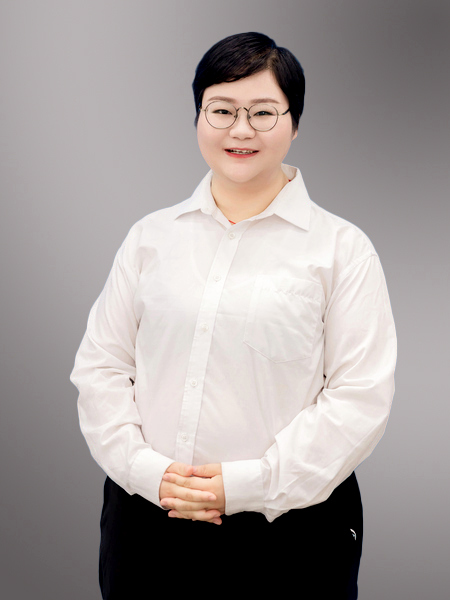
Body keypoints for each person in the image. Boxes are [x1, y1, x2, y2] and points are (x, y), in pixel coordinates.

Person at [70, 32, 396, 599]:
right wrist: (149, 472)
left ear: (295, 123)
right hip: (147, 519)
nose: (240, 130)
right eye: (221, 110)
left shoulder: (342, 249)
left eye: (263, 112)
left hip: (289, 530)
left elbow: (359, 399)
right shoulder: (150, 238)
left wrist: (247, 484)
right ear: (198, 117)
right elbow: (101, 368)